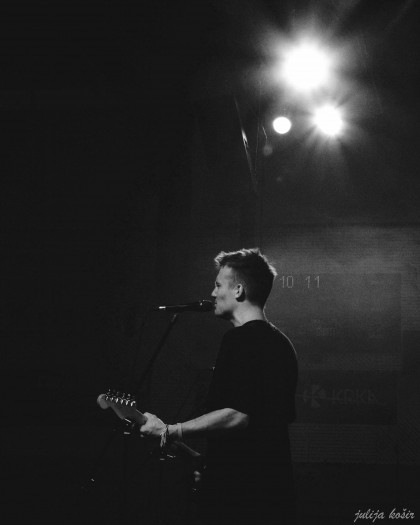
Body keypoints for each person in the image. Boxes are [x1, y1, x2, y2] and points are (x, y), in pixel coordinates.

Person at [139, 248, 298, 525]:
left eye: (218, 285)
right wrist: (208, 463)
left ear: (238, 290)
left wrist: (169, 431)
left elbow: (238, 415)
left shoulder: (239, 341)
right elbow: (263, 426)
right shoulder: (283, 344)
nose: (212, 293)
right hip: (273, 491)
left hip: (241, 497)